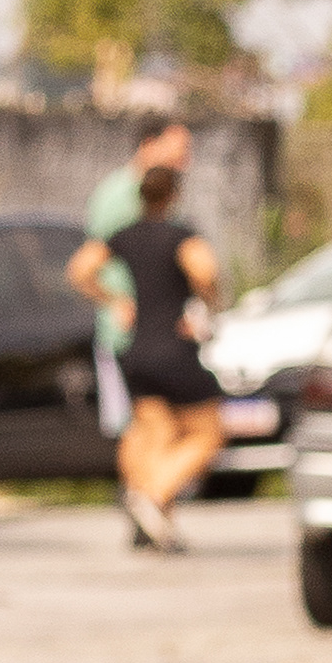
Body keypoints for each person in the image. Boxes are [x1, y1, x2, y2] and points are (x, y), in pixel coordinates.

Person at [70, 162, 229, 552]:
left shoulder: (125, 235)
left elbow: (80, 270)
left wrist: (114, 300)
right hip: (174, 348)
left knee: (155, 435)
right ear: (174, 195)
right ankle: (152, 496)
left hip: (137, 350)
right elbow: (205, 270)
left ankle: (159, 525)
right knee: (208, 435)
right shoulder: (180, 234)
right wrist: (208, 303)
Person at [85, 113, 192, 447]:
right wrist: (116, 302)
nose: (184, 161)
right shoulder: (118, 196)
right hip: (128, 334)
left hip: (161, 332)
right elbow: (86, 267)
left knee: (159, 426)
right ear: (149, 144)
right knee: (139, 428)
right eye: (177, 151)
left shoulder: (163, 196)